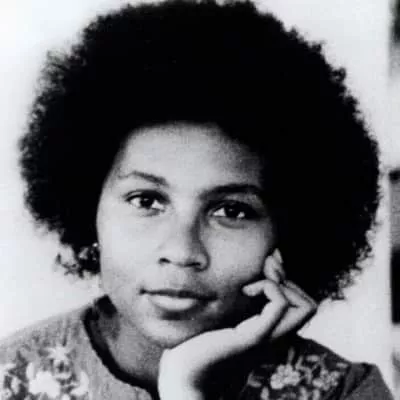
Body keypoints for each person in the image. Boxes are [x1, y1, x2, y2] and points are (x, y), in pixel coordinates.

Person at [0, 0, 392, 399]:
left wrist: (183, 385)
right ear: (89, 211)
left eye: (231, 210)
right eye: (146, 201)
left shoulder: (345, 392)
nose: (182, 251)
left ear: (288, 232)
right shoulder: (11, 379)